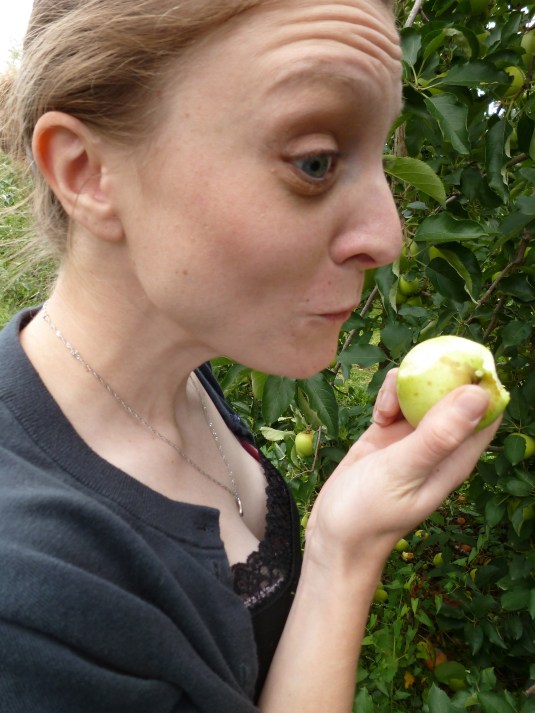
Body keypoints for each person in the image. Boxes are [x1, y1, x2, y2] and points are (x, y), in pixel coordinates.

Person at [0, 0, 500, 711]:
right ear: (87, 171)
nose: (387, 237)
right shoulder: (28, 614)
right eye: (316, 162)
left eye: (380, 158)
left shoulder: (174, 371)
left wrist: (344, 547)